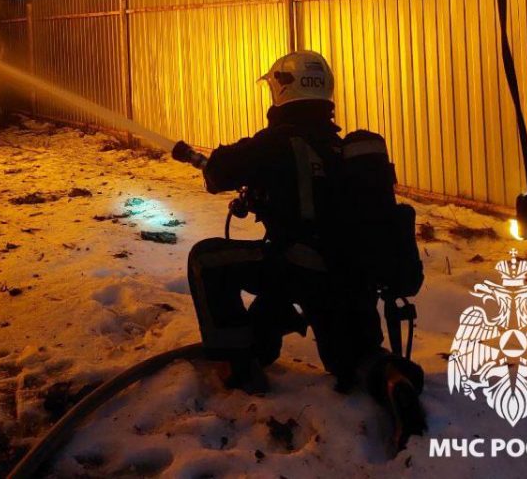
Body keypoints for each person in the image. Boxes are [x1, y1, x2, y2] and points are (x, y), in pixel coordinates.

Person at [171, 50, 426, 449]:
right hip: (348, 278)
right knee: (351, 359)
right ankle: (392, 378)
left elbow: (219, 171)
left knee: (208, 259)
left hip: (295, 269)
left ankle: (236, 362)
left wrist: (215, 165)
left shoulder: (275, 142)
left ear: (282, 88)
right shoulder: (339, 147)